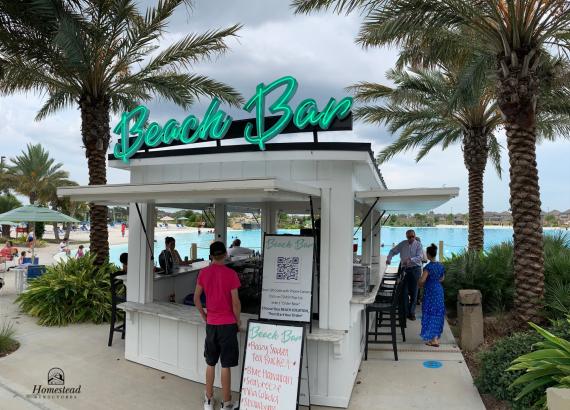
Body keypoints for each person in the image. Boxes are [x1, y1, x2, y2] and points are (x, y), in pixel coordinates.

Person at [194, 241, 241, 410]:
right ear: (226, 255)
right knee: (226, 365)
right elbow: (236, 303)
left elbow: (196, 298)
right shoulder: (231, 274)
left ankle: (208, 400)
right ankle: (226, 403)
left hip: (212, 323)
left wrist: (204, 315)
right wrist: (238, 320)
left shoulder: (204, 273)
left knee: (211, 362)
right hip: (228, 324)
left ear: (211, 255)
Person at [386, 229, 424, 320]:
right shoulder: (403, 244)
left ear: (415, 236)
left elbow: (420, 257)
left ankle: (412, 313)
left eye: (412, 236)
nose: (411, 238)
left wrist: (410, 260)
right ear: (406, 237)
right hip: (405, 270)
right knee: (404, 292)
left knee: (414, 292)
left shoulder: (418, 245)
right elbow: (392, 251)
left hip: (416, 270)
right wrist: (389, 259)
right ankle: (406, 312)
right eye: (409, 237)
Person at [419, 243, 446, 347]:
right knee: (437, 313)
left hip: (430, 292)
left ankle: (433, 340)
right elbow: (442, 278)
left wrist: (419, 283)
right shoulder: (441, 266)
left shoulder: (428, 267)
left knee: (430, 313)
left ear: (429, 255)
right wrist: (435, 281)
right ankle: (435, 338)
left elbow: (422, 280)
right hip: (439, 290)